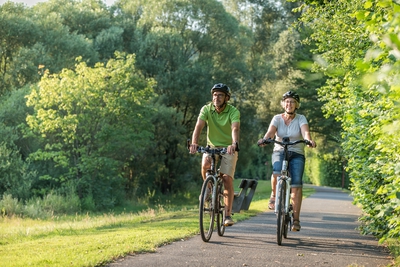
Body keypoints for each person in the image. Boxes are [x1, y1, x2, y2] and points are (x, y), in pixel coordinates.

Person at [258, 91, 316, 231]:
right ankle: (274, 195)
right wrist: (265, 139)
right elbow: (270, 132)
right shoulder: (277, 118)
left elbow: (305, 132)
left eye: (292, 102)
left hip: (296, 153)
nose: (289, 104)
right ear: (283, 104)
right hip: (279, 151)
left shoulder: (301, 118)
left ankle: (296, 220)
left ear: (297, 105)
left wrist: (308, 140)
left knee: (296, 185)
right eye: (287, 101)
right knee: (277, 172)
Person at [189, 83, 240, 226]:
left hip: (228, 148)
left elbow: (235, 128)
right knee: (205, 165)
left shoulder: (233, 111)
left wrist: (234, 144)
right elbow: (198, 126)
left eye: (220, 95)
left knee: (226, 178)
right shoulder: (206, 109)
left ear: (227, 98)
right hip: (211, 146)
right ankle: (208, 189)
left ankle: (228, 215)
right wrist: (194, 143)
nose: (216, 97)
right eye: (215, 95)